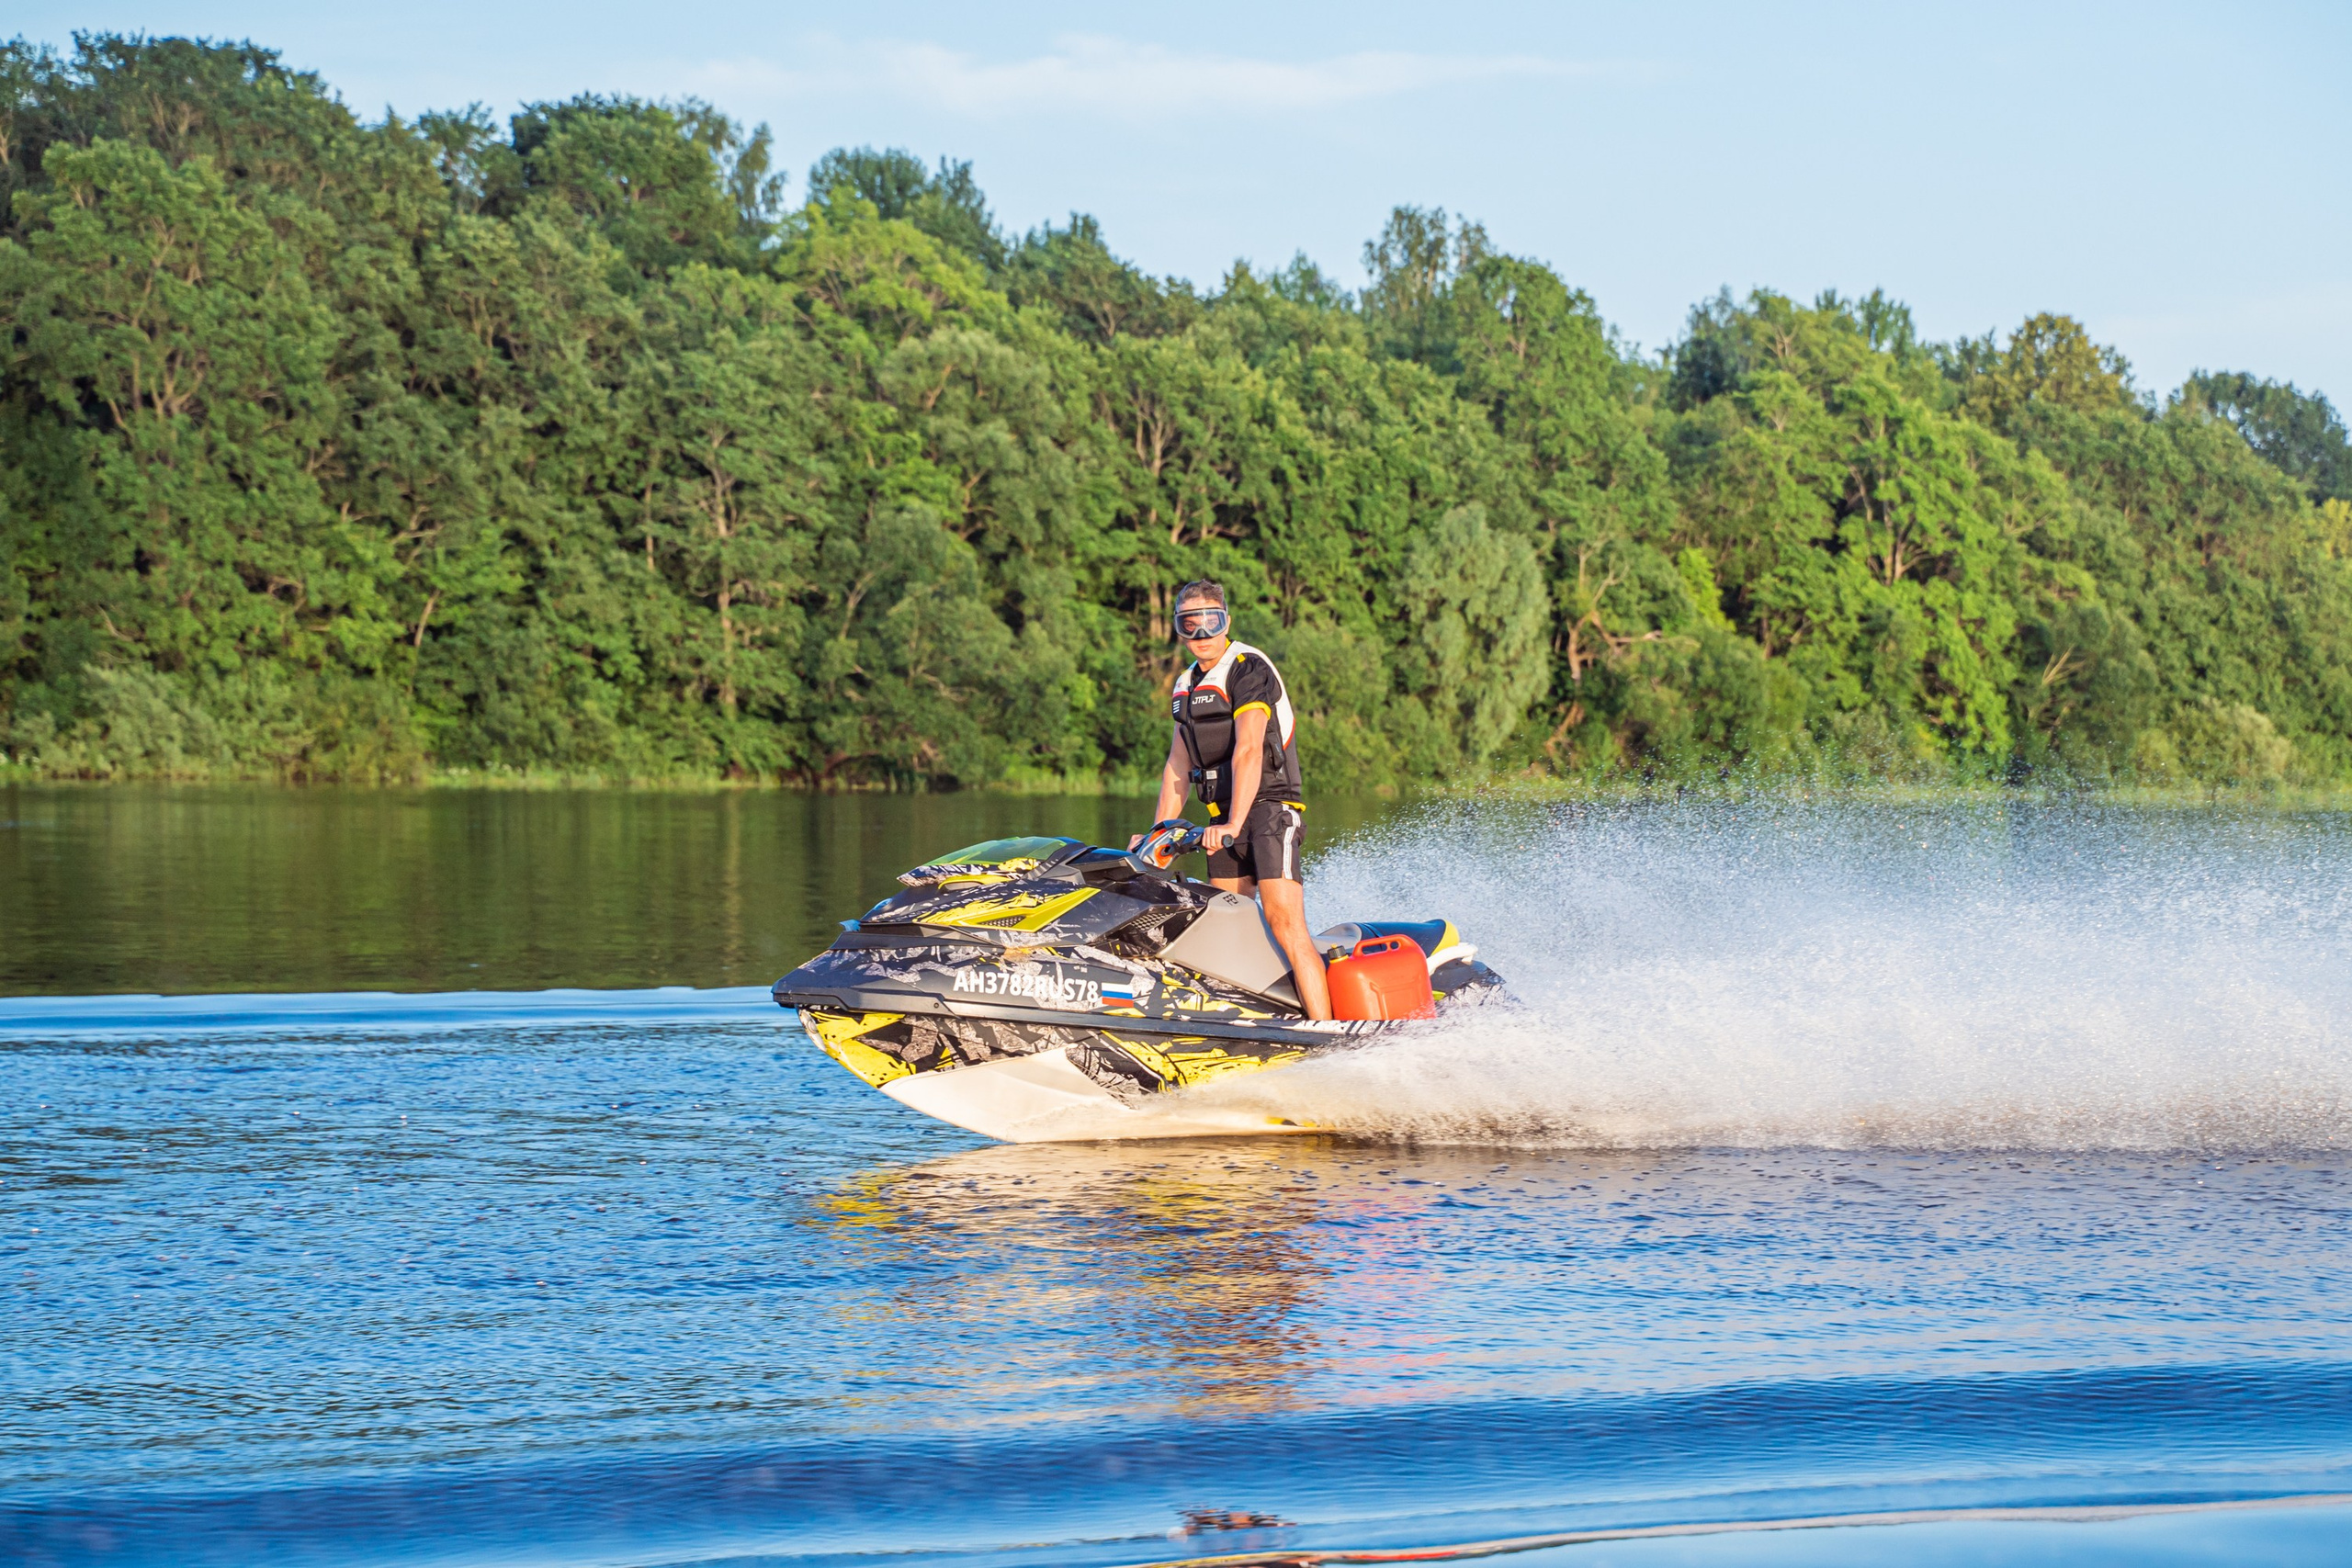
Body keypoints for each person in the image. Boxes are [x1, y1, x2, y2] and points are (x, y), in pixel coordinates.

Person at [1132, 580, 1333, 1020]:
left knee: (1286, 925)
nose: (1202, 633)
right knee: (1228, 928)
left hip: (1269, 812)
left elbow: (1248, 750)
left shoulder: (1248, 668)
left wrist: (1233, 824)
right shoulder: (1185, 684)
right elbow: (1176, 766)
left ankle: (1329, 1036)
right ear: (1179, 629)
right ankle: (1249, 1026)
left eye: (1211, 621)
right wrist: (1157, 835)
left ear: (1226, 622)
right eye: (1191, 623)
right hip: (1221, 820)